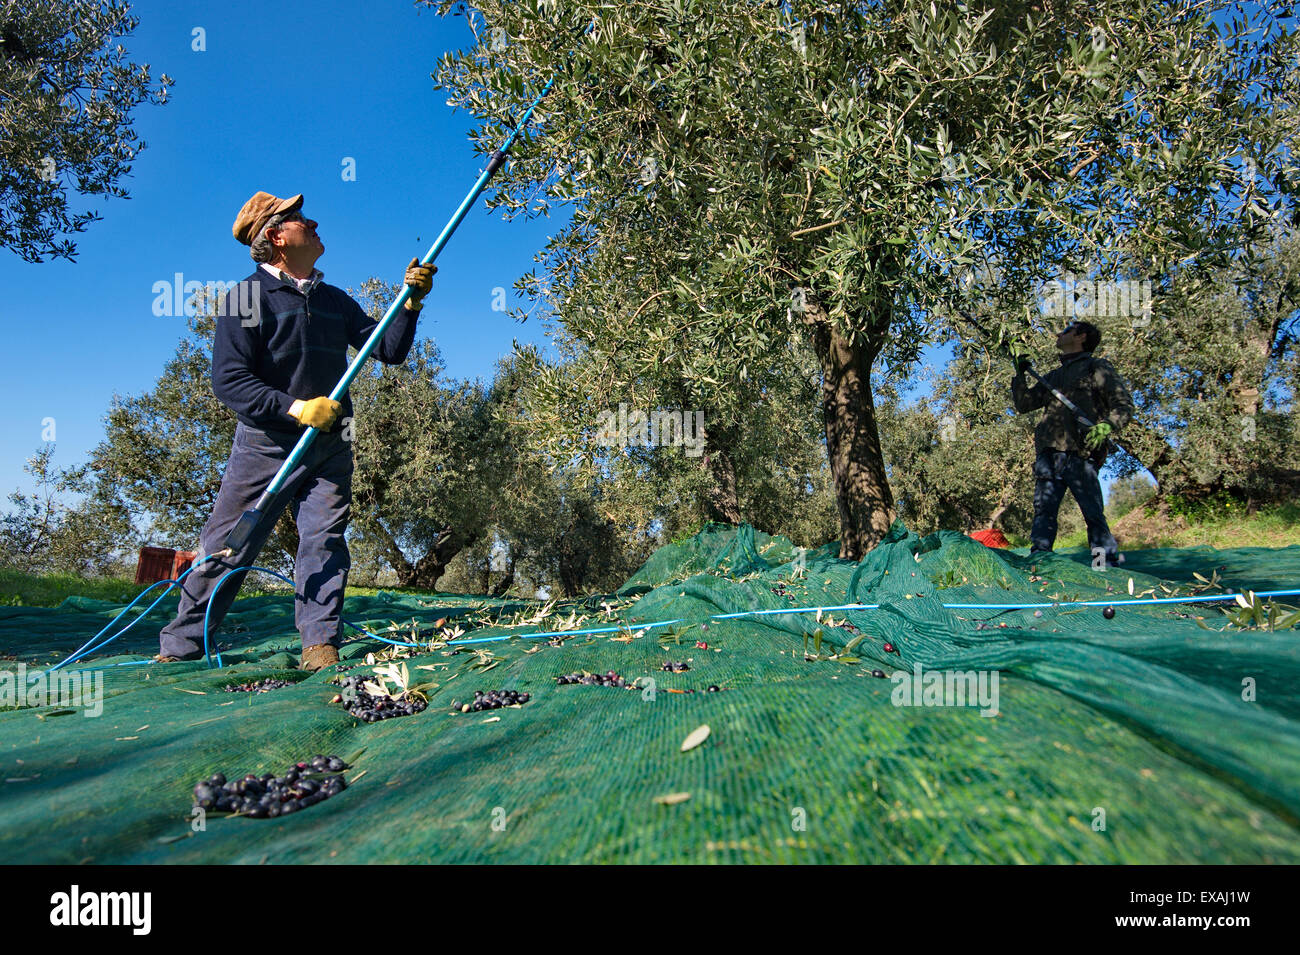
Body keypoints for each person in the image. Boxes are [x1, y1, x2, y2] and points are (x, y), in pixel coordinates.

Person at [156, 191, 436, 671]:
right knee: (229, 544)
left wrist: (409, 303)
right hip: (265, 446)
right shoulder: (247, 298)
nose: (314, 222)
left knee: (324, 540)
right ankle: (182, 646)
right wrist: (296, 409)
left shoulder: (333, 300)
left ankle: (319, 644)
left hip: (331, 445)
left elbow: (387, 349)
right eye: (300, 219)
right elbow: (229, 380)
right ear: (274, 236)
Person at [1011, 320, 1134, 565]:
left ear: (1081, 337)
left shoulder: (1095, 368)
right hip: (1049, 454)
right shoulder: (1054, 376)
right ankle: (1040, 562)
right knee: (1044, 511)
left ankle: (1104, 563)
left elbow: (1124, 405)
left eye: (1067, 330)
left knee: (1092, 513)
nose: (1059, 333)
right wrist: (1019, 374)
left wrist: (1107, 425)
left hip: (1081, 453)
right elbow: (1024, 404)